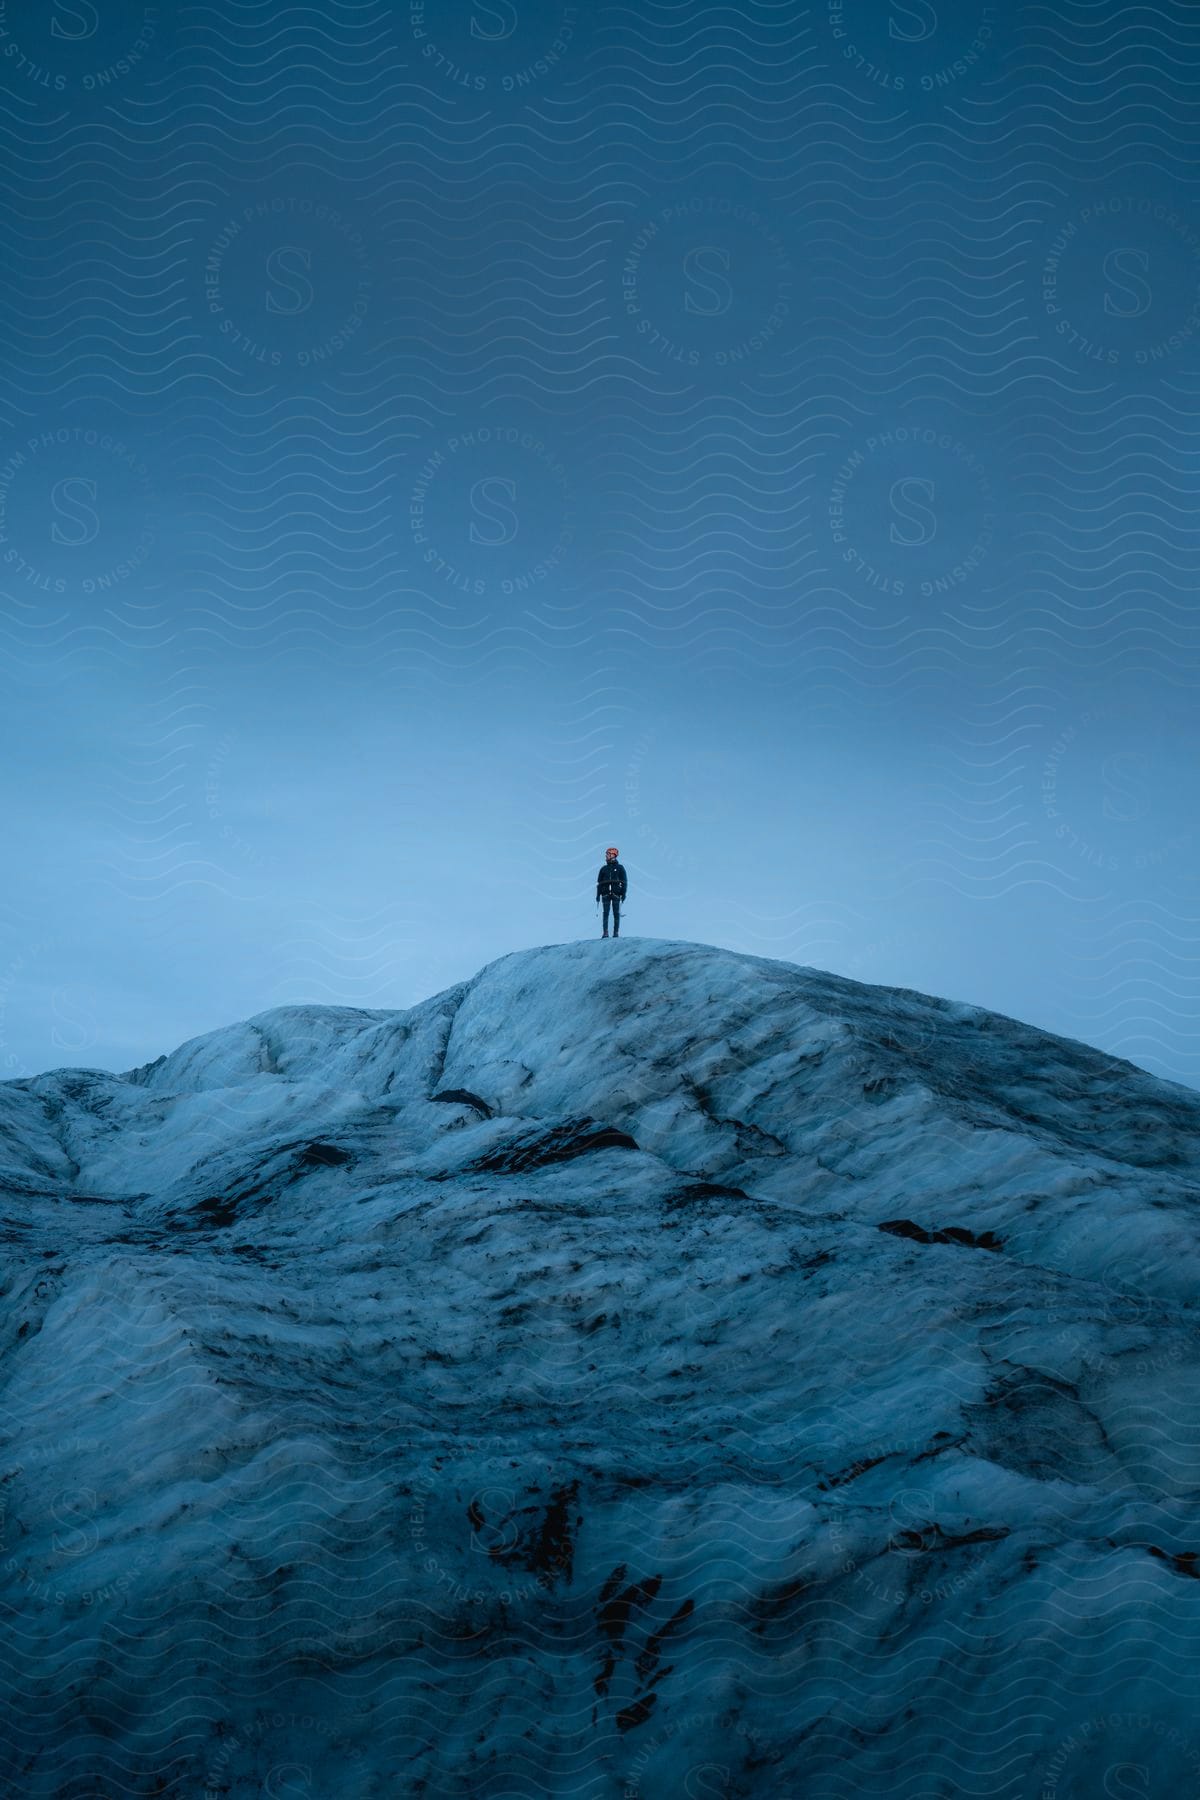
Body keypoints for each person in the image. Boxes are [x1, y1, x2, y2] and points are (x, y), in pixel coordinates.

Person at [596, 846, 627, 938]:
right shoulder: (603, 869)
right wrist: (598, 895)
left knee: (616, 913)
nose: (606, 856)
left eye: (608, 854)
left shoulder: (620, 868)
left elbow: (624, 881)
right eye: (606, 854)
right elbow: (599, 883)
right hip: (605, 894)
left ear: (614, 855)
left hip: (616, 893)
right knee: (605, 913)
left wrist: (624, 893)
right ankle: (605, 932)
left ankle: (616, 933)